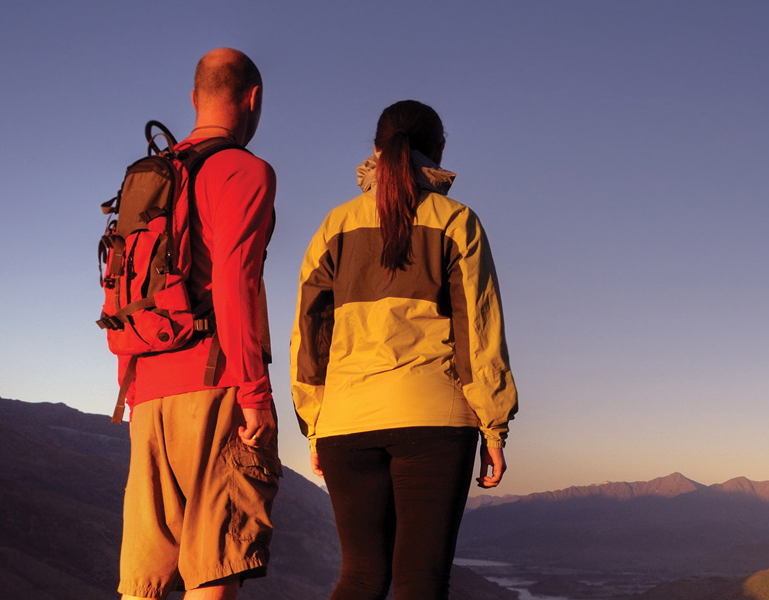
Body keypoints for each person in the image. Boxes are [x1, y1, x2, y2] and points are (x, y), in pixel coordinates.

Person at [291, 99, 518, 600]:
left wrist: (316, 424)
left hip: (346, 423)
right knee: (420, 581)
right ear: (438, 152)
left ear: (376, 150)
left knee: (360, 577)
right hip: (435, 419)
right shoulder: (457, 222)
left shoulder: (333, 227)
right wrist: (494, 427)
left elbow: (309, 336)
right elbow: (478, 333)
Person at [117, 47, 280, 600]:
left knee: (145, 582)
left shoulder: (154, 176)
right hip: (215, 388)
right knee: (213, 567)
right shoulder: (244, 171)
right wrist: (255, 392)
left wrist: (132, 387)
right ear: (253, 100)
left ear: (194, 99)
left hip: (147, 392)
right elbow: (235, 283)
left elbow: (126, 284)